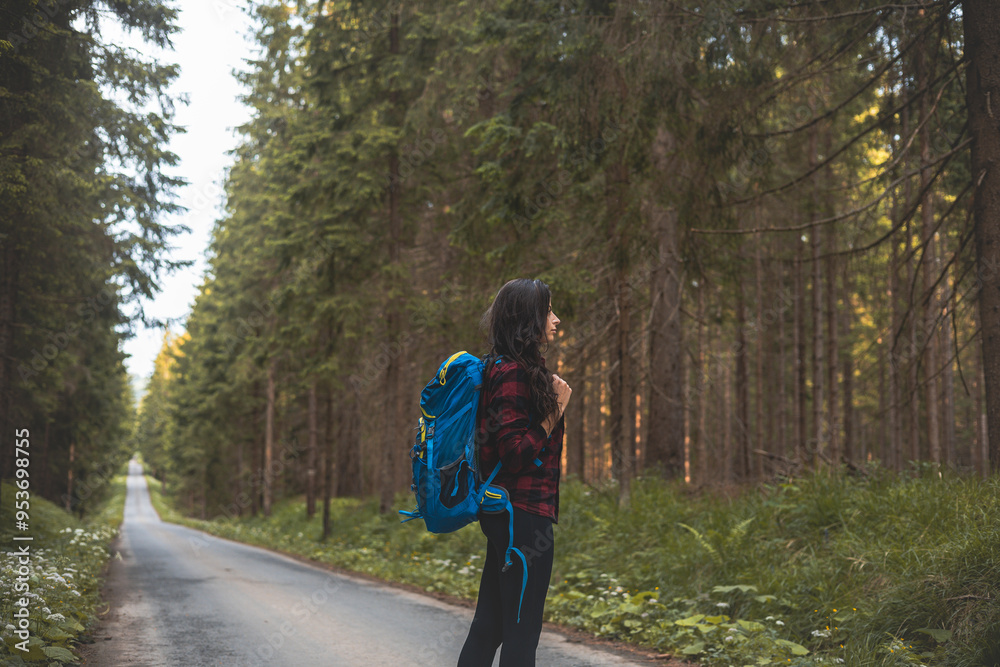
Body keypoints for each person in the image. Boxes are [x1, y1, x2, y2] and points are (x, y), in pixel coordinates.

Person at [458, 278, 572, 667]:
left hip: (509, 515)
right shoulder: (511, 373)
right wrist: (554, 412)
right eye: (549, 311)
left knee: (490, 626)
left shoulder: (509, 368)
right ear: (529, 318)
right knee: (521, 636)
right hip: (523, 516)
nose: (556, 320)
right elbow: (514, 453)